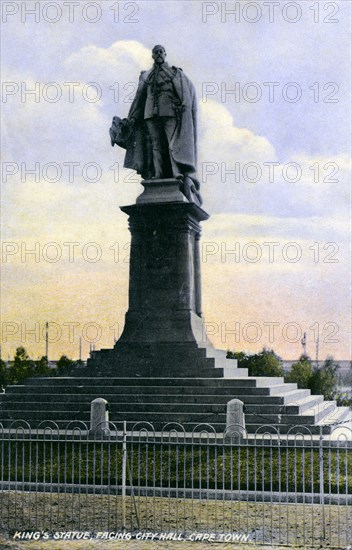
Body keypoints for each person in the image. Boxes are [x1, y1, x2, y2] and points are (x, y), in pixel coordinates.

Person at [124, 45, 198, 182]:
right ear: (152, 56)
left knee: (172, 144)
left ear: (165, 54)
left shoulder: (175, 73)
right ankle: (158, 173)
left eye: (160, 52)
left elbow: (184, 94)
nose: (158, 54)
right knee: (155, 146)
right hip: (150, 114)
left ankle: (176, 173)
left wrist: (182, 106)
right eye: (155, 52)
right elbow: (140, 99)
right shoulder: (147, 75)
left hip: (169, 112)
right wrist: (133, 117)